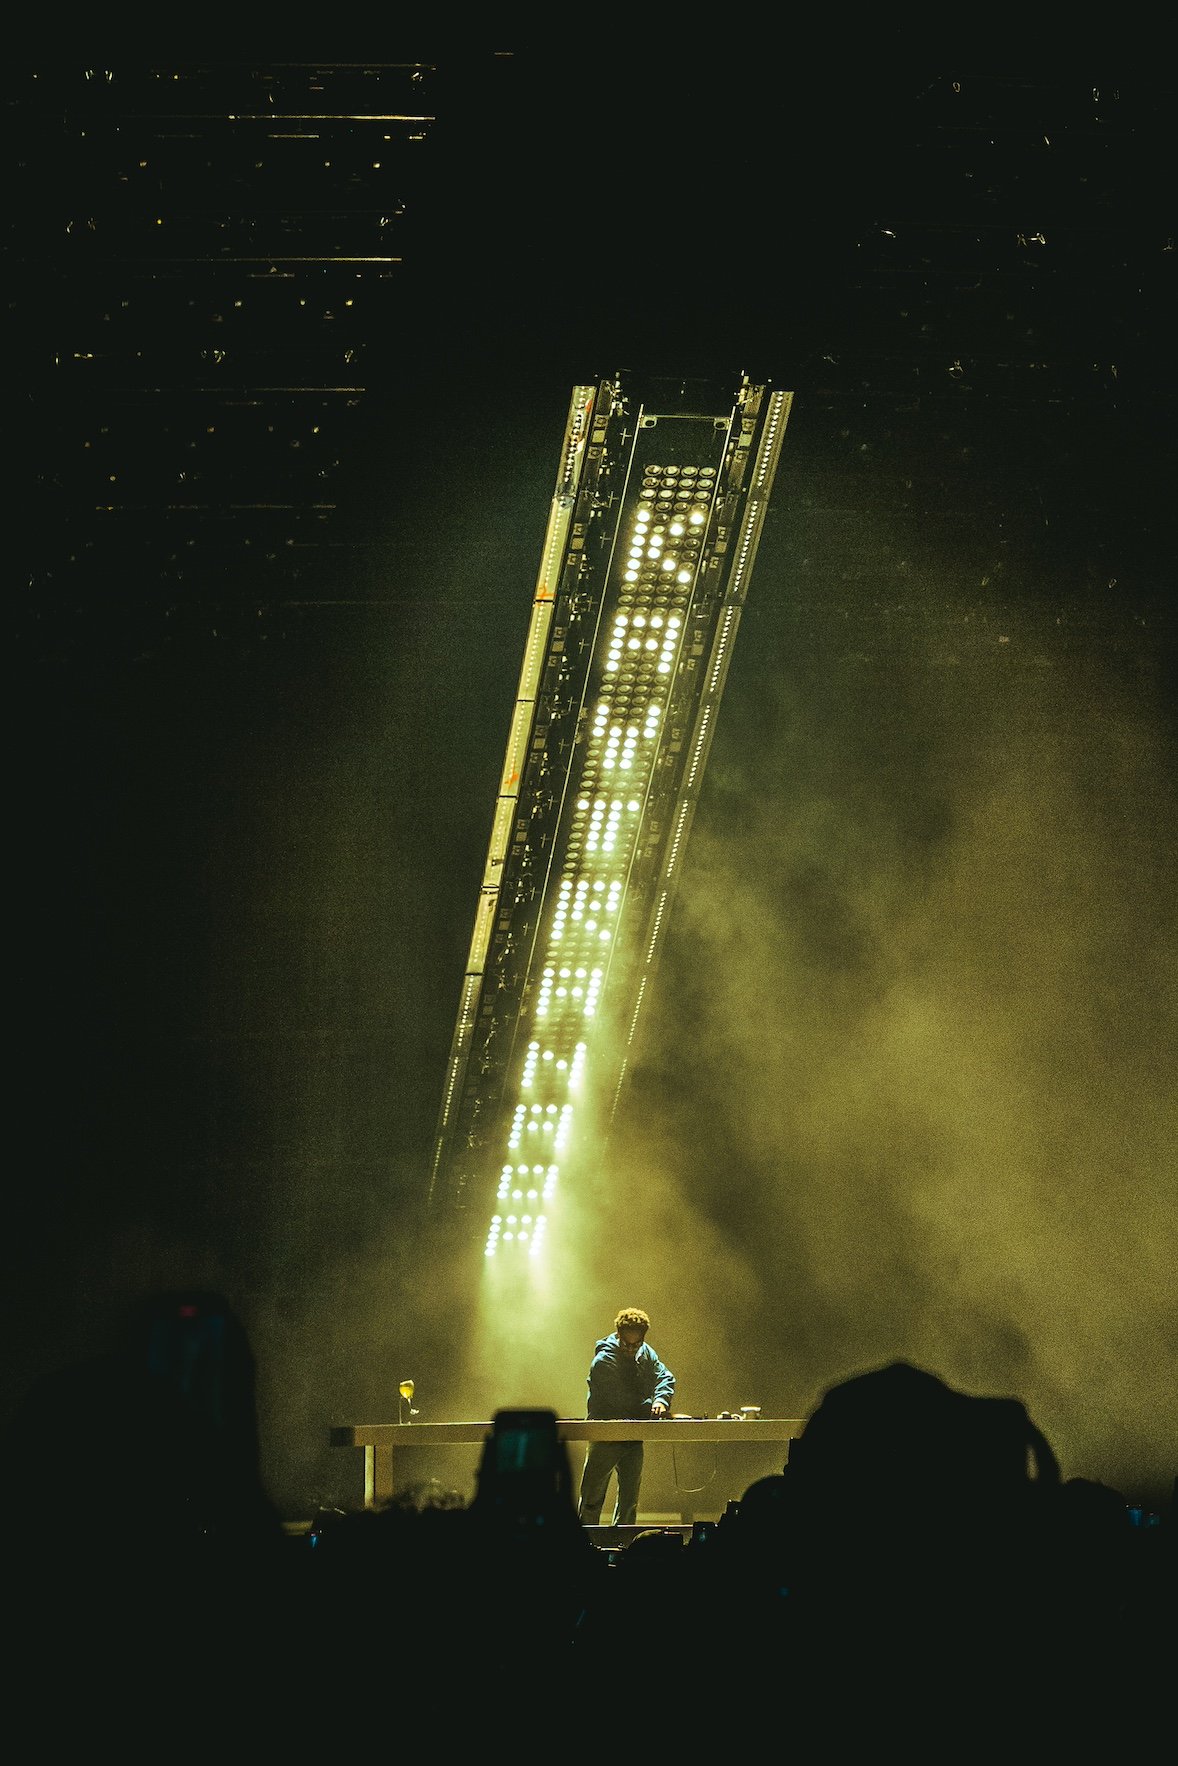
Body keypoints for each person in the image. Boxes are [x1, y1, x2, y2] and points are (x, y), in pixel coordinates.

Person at [577, 1306, 675, 1527]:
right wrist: (651, 1407)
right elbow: (621, 1400)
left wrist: (661, 1400)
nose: (631, 1349)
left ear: (642, 1338)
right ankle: (584, 1542)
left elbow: (664, 1376)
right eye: (626, 1344)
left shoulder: (645, 1352)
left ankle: (624, 1541)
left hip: (632, 1435)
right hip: (605, 1435)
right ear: (618, 1334)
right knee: (592, 1499)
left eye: (636, 1345)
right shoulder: (603, 1361)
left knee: (629, 1502)